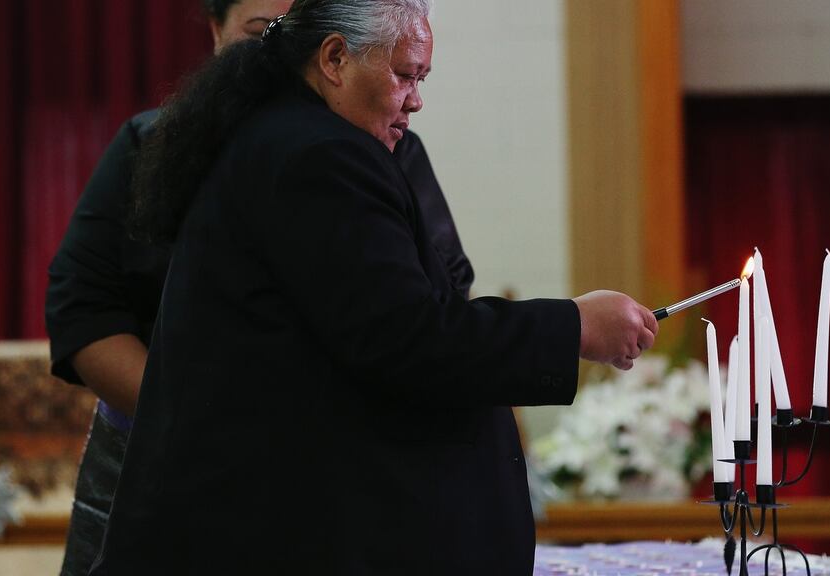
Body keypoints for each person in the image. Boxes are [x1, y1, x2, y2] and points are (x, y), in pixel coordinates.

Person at [87, 1, 657, 574]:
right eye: (404, 74)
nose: (416, 99)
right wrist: (576, 325)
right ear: (335, 58)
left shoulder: (283, 136)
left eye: (421, 79)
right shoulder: (317, 156)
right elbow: (410, 338)